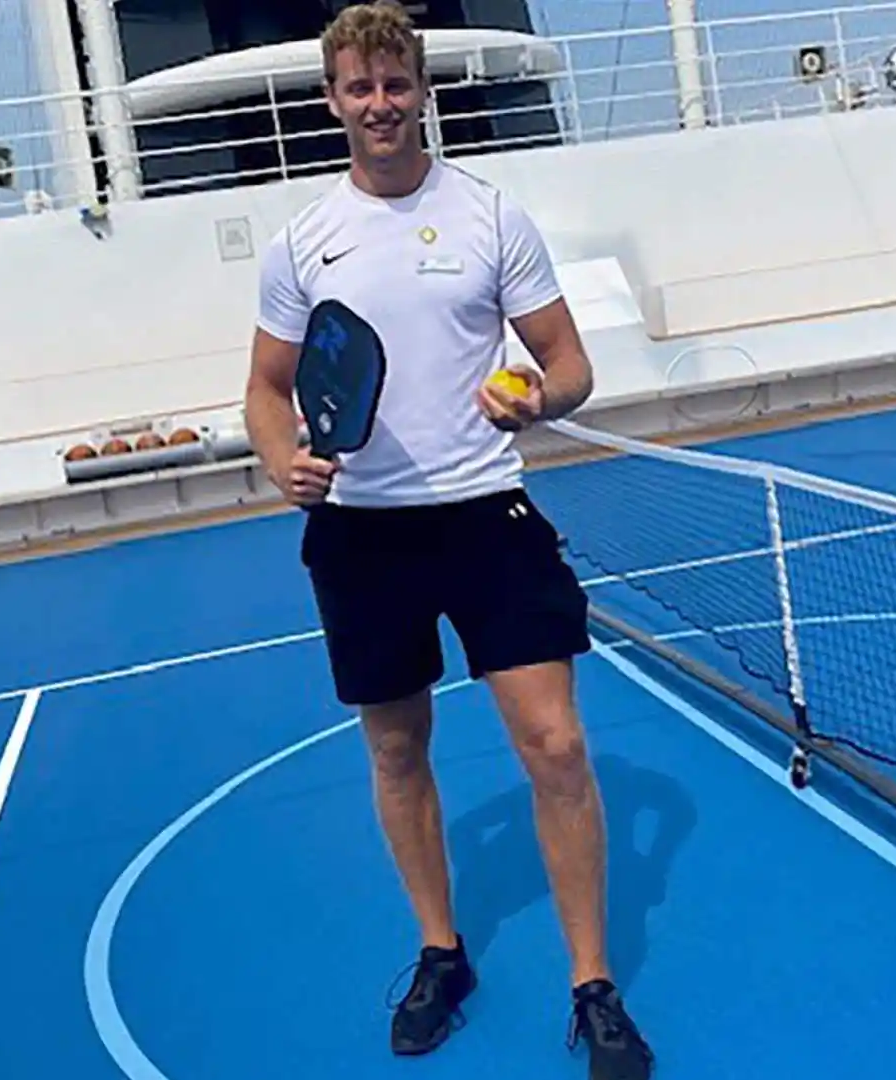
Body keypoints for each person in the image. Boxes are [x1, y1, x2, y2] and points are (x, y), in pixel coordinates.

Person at [240, 4, 655, 1078]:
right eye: (358, 87)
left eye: (395, 84)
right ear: (331, 100)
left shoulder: (489, 217)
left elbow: (569, 367)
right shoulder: (302, 243)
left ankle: (593, 980)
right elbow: (267, 387)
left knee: (557, 748)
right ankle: (440, 950)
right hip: (362, 536)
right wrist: (281, 459)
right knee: (396, 750)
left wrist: (536, 400)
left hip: (486, 518)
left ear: (421, 92)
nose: (379, 104)